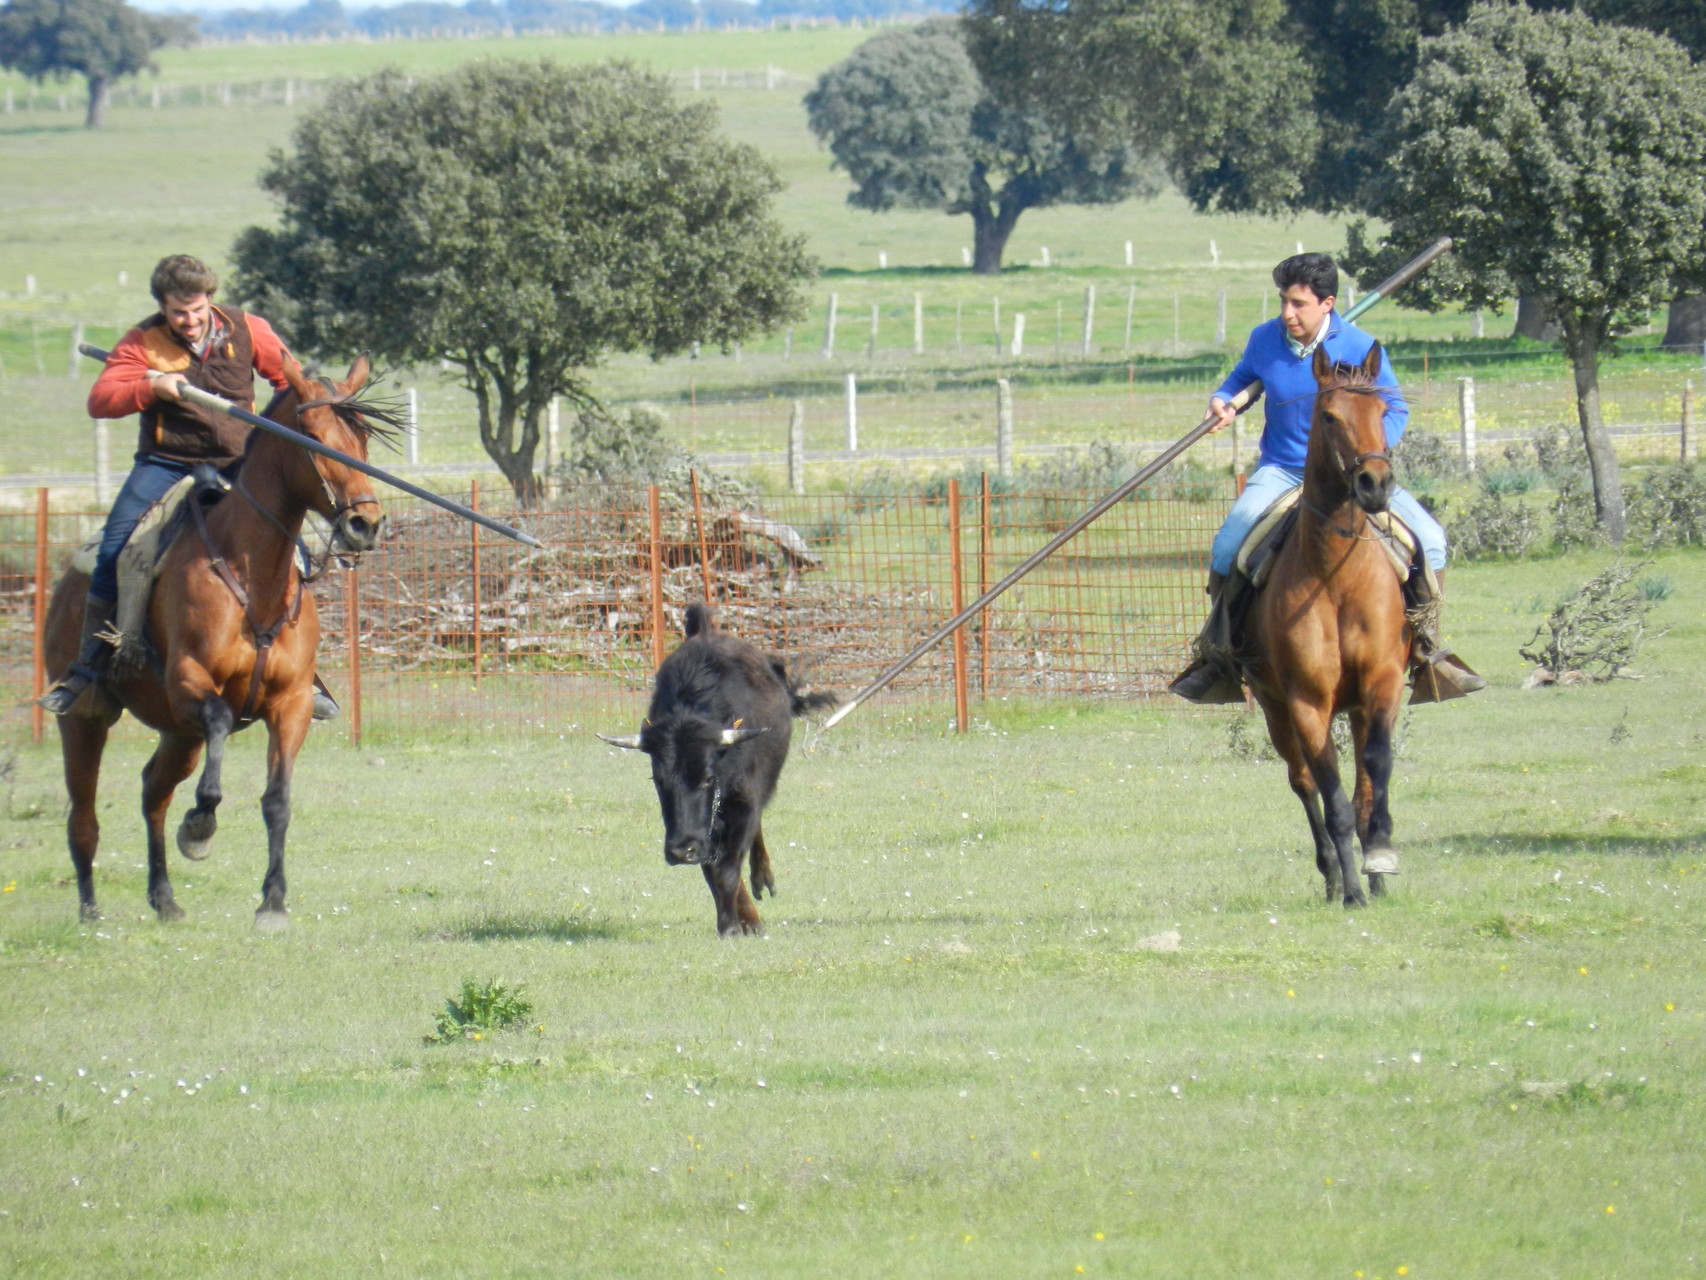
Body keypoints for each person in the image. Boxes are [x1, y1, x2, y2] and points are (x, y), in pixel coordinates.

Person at [1169, 252, 1485, 704]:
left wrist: (1366, 455)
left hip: (1350, 476)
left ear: (1327, 303)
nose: (1286, 313)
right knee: (1228, 545)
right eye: (1283, 301)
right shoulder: (1265, 340)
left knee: (1431, 540)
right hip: (1282, 469)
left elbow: (1394, 408)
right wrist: (1223, 399)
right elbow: (1241, 378)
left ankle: (1427, 654)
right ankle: (1221, 657)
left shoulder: (1359, 348)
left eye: (1298, 303)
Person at [39, 254, 340, 720]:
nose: (190, 321)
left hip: (240, 462)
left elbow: (289, 379)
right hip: (166, 465)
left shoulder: (248, 329)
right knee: (117, 547)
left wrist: (289, 413)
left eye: (197, 310)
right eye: (180, 312)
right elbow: (101, 400)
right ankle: (89, 666)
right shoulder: (143, 341)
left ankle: (303, 673)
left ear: (209, 301)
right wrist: (151, 387)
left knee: (287, 547)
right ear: (163, 306)